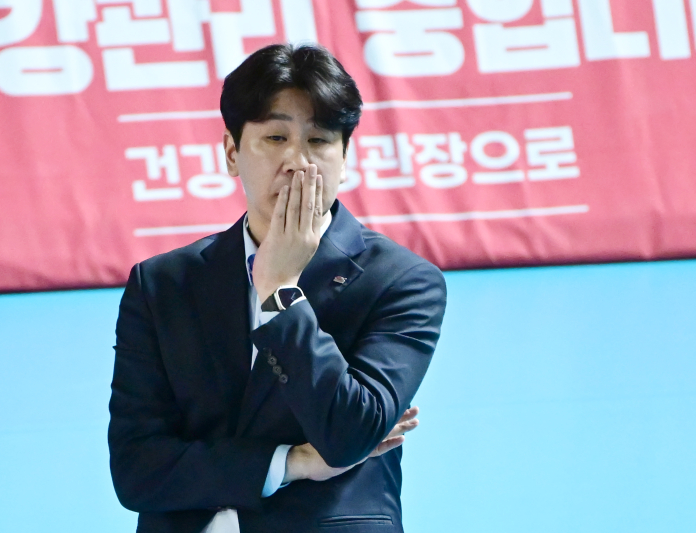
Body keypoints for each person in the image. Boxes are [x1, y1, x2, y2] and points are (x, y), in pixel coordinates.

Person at [108, 43, 447, 533]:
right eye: (275, 137)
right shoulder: (162, 283)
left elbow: (347, 435)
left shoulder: (401, 281)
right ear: (231, 153)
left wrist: (280, 292)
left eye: (319, 140)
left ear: (344, 158)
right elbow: (136, 470)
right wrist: (292, 462)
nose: (297, 161)